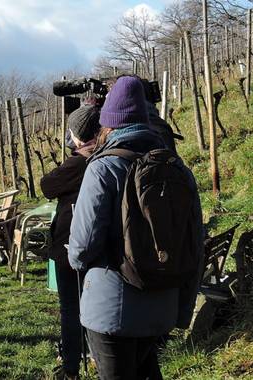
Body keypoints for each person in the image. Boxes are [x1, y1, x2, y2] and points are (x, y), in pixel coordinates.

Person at [68, 76, 203, 380]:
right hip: (162, 302)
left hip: (111, 307)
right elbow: (195, 241)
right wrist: (182, 308)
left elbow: (82, 246)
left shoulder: (103, 168)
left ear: (108, 125)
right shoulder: (178, 168)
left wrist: (76, 260)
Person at [41, 101, 101, 380]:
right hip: (100, 245)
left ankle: (71, 368)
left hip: (70, 244)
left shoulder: (80, 162)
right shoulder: (107, 156)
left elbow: (47, 185)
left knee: (71, 309)